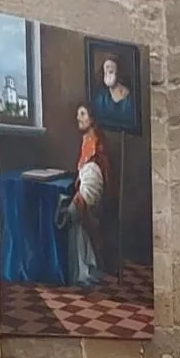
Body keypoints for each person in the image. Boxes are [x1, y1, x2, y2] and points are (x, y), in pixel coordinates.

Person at [65, 104, 112, 287]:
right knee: (75, 223)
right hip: (85, 189)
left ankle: (84, 271)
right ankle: (82, 269)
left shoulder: (96, 144)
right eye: (78, 114)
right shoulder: (87, 141)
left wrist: (82, 196)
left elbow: (95, 174)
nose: (79, 118)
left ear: (92, 119)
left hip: (92, 195)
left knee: (71, 216)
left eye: (83, 114)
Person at [90, 52, 138, 132]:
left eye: (111, 71)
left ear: (118, 72)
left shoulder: (130, 99)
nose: (108, 75)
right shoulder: (101, 97)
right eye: (105, 72)